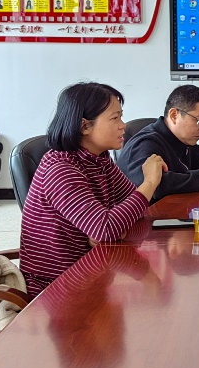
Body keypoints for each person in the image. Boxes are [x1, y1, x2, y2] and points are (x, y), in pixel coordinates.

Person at [20, 82, 165, 293]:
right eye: (115, 118)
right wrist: (149, 183)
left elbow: (137, 210)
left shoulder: (99, 160)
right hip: (55, 289)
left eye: (121, 117)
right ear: (85, 126)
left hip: (93, 274)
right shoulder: (60, 169)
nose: (123, 125)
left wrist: (120, 230)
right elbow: (105, 228)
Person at [118, 85, 199, 201]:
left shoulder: (183, 141)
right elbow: (155, 185)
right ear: (174, 115)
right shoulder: (145, 144)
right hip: (147, 212)